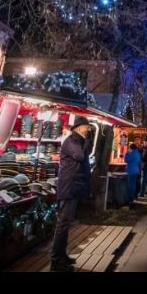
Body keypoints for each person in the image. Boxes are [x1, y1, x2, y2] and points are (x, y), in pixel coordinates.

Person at [50, 116, 95, 271]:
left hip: (73, 188)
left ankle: (62, 256)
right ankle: (56, 261)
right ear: (78, 127)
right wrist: (86, 141)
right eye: (86, 127)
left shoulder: (78, 141)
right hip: (68, 188)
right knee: (62, 224)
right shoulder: (72, 141)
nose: (88, 129)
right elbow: (80, 156)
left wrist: (87, 142)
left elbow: (85, 155)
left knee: (66, 224)